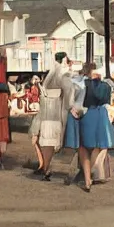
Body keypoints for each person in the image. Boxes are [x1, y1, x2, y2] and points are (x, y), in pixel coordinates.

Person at [29, 52, 72, 180]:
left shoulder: (49, 80)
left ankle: (45, 167)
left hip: (46, 116)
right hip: (56, 116)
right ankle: (46, 168)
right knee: (52, 144)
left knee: (47, 144)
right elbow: (68, 100)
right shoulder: (63, 76)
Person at [77, 63, 114, 192]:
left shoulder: (83, 85)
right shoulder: (106, 86)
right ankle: (93, 170)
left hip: (87, 114)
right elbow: (108, 101)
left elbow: (77, 101)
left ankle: (87, 178)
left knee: (83, 146)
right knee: (98, 146)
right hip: (102, 115)